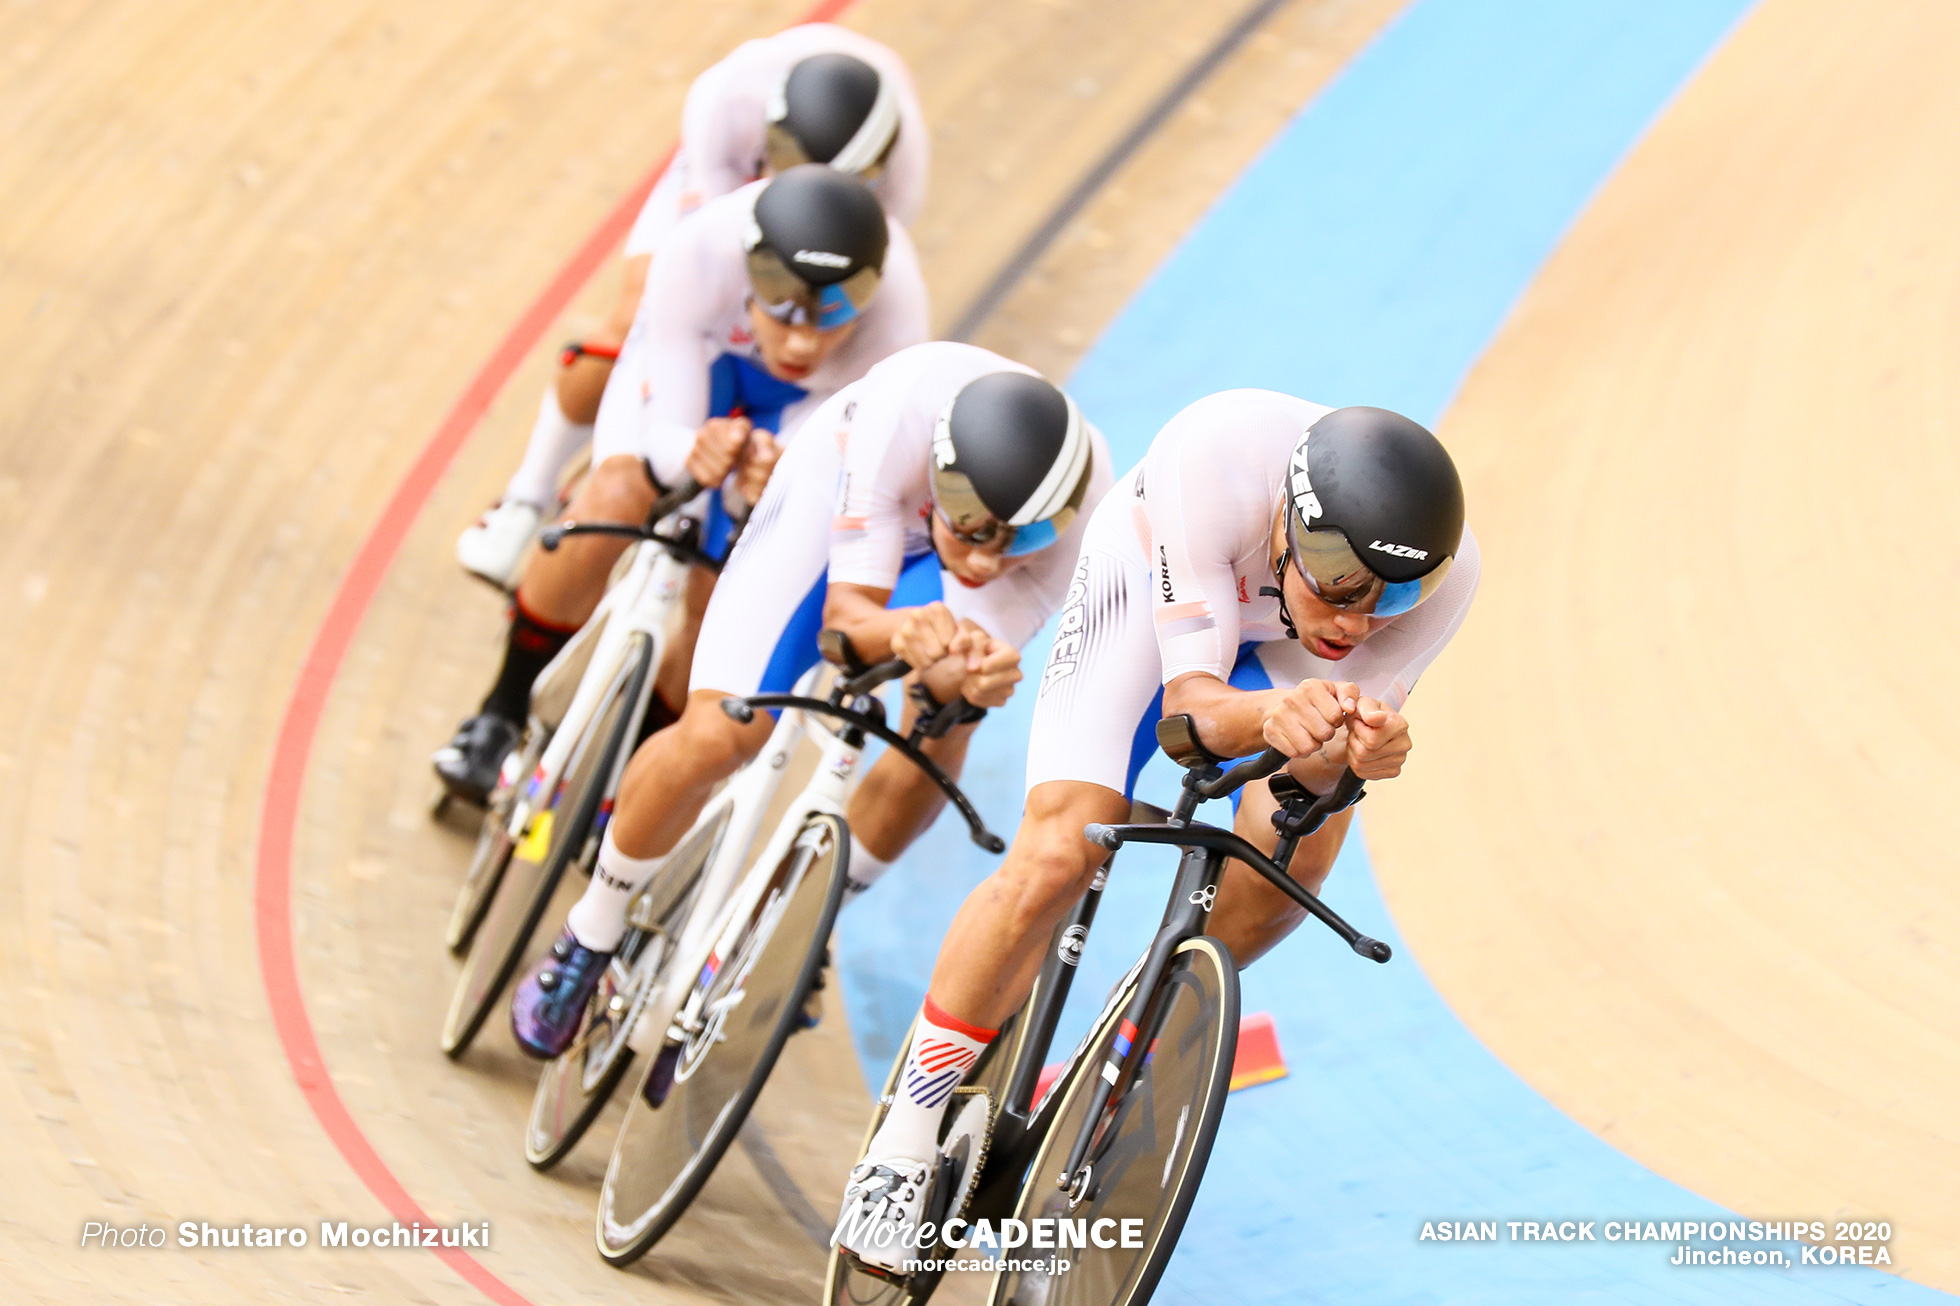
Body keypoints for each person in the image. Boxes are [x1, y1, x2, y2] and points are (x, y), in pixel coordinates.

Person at [830, 392, 1482, 1270]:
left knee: (1289, 881)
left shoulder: (1445, 581)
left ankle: (1125, 1024)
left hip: (1281, 663)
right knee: (1061, 849)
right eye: (1344, 585)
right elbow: (1191, 718)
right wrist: (1275, 716)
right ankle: (902, 1143)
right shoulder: (1213, 461)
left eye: (1393, 595)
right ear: (1290, 528)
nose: (1359, 622)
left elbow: (1312, 787)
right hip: (1154, 605)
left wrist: (1361, 749)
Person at [507, 341, 1115, 1060]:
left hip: (931, 537)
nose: (989, 559)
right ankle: (592, 931)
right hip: (834, 499)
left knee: (946, 726)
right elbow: (845, 630)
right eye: (976, 530)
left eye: (1025, 536)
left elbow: (961, 654)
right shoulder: (901, 417)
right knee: (721, 736)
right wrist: (906, 631)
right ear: (943, 479)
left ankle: (800, 922)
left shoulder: (1078, 521)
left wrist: (965, 676)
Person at [432, 165, 927, 803]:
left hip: (812, 409)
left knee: (725, 589)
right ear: (751, 269)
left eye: (832, 316)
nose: (804, 339)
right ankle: (498, 714)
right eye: (783, 309)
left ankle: (633, 777)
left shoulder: (899, 322)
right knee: (615, 493)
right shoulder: (699, 251)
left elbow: (834, 464)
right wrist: (689, 454)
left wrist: (763, 484)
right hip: (701, 366)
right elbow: (663, 421)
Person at [456, 25, 929, 588]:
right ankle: (523, 497)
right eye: (788, 167)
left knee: (795, 320)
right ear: (771, 142)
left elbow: (850, 271)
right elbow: (714, 247)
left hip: (826, 232)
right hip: (726, 188)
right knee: (643, 313)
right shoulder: (728, 104)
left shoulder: (899, 185)